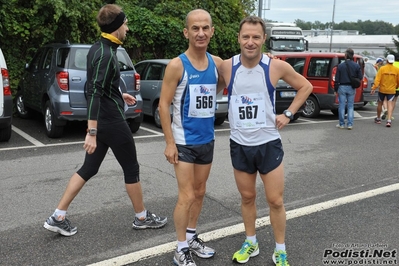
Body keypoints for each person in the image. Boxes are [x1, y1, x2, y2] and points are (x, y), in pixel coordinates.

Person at [43, 4, 167, 237]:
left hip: (104, 120)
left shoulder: (98, 47)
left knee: (88, 168)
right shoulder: (107, 54)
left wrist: (121, 94)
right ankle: (142, 218)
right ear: (116, 26)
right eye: (125, 23)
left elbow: (103, 85)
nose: (127, 28)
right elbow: (94, 91)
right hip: (110, 122)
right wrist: (91, 132)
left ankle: (58, 216)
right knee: (131, 168)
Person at [219, 16, 313, 266]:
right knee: (247, 197)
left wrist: (289, 114)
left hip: (268, 143)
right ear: (238, 38)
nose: (250, 42)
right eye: (246, 37)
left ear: (263, 39)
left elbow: (305, 86)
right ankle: (251, 242)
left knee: (275, 200)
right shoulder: (227, 67)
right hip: (240, 144)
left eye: (256, 37)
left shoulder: (275, 66)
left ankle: (280, 249)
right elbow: (209, 90)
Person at [158, 9, 224, 266]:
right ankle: (180, 248)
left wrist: (270, 59)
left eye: (205, 28)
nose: (201, 33)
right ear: (186, 32)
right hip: (183, 142)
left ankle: (192, 237)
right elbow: (164, 105)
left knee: (200, 191)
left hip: (207, 139)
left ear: (212, 31)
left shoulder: (217, 63)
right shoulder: (177, 65)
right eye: (195, 28)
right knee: (186, 196)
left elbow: (244, 65)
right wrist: (169, 143)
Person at [334, 48, 363, 130]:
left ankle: (341, 124)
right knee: (350, 106)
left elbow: (337, 79)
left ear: (346, 55)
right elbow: (360, 77)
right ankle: (350, 124)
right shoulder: (356, 66)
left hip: (342, 87)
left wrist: (336, 90)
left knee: (342, 106)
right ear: (353, 55)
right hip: (351, 87)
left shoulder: (340, 66)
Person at [371, 54, 399, 127]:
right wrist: (396, 86)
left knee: (380, 103)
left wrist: (373, 88)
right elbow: (398, 80)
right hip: (392, 89)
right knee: (390, 104)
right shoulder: (396, 69)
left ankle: (378, 118)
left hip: (382, 89)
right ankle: (389, 120)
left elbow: (377, 79)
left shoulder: (382, 69)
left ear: (387, 60)